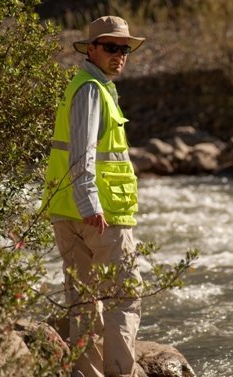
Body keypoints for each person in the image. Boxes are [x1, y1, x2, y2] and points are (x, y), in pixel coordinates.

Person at [42, 15, 145, 377]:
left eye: (125, 49)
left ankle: (86, 373)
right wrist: (90, 204)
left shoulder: (90, 87)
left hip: (68, 211)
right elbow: (82, 153)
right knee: (123, 297)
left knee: (83, 301)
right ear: (91, 50)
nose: (120, 54)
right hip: (99, 216)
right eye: (112, 47)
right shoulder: (90, 90)